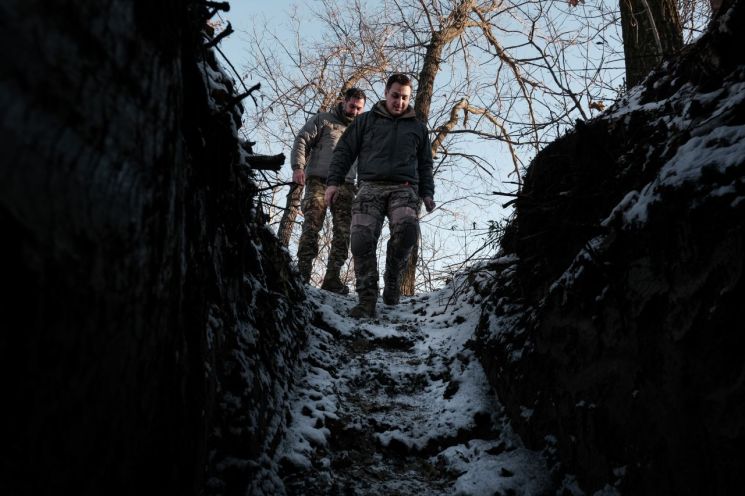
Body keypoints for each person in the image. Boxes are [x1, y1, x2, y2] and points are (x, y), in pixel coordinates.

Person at [324, 74, 435, 318]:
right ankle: (367, 299)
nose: (399, 101)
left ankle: (393, 274)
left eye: (405, 97)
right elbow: (344, 151)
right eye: (395, 96)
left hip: (404, 187)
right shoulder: (365, 121)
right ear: (386, 93)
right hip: (370, 186)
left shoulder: (417, 127)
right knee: (361, 239)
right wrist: (333, 183)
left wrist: (427, 193)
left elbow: (425, 164)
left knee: (407, 229)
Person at [291, 87, 367, 293]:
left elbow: (367, 162)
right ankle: (303, 273)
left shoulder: (361, 131)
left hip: (346, 185)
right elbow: (302, 139)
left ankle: (332, 279)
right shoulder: (324, 119)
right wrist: (298, 167)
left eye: (360, 109)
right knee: (312, 224)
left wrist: (364, 187)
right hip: (319, 180)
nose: (355, 112)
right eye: (352, 106)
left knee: (343, 232)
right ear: (344, 102)